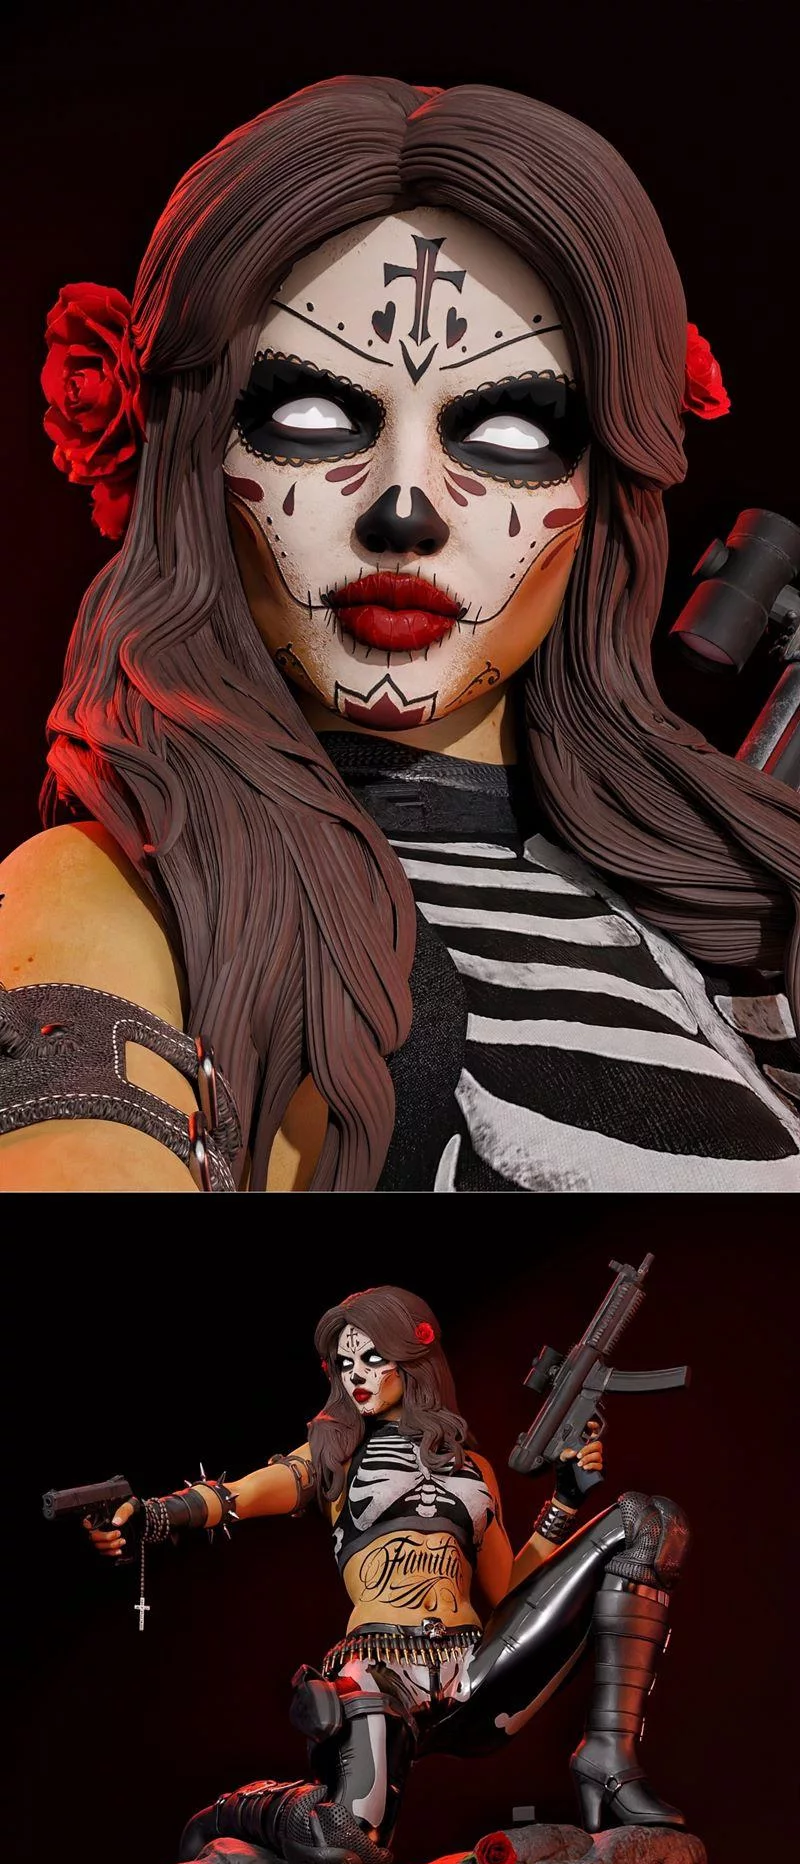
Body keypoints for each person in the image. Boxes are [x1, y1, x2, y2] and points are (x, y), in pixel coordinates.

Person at [3, 83, 799, 1193]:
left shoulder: (743, 898)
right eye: (313, 417)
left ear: (605, 490)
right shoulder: (122, 892)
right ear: (193, 458)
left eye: (509, 428)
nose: (403, 508)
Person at [89, 1283, 689, 1864]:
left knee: (648, 1520)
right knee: (342, 1849)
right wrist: (153, 1515)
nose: (357, 1375)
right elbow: (238, 1495)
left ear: (412, 1357)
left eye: (373, 1357)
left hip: (477, 1673)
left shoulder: (472, 1468)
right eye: (345, 1363)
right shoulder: (335, 1453)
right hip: (381, 1674)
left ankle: (608, 1757)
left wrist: (563, 1502)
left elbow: (509, 1594)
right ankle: (252, 1809)